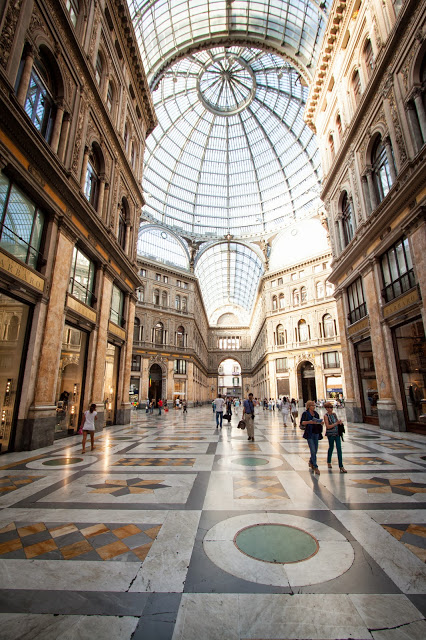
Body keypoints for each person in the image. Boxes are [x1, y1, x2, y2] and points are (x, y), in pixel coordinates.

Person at [300, 400, 323, 475]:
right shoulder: (305, 414)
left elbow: (318, 422)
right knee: (312, 450)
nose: (314, 407)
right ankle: (315, 466)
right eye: (313, 405)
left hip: (316, 433)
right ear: (309, 406)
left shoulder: (316, 414)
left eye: (314, 406)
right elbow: (302, 422)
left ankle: (311, 461)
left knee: (315, 450)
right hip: (309, 434)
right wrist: (309, 422)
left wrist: (320, 422)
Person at [323, 401, 347, 473]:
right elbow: (327, 426)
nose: (331, 409)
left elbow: (336, 422)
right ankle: (329, 461)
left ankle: (341, 466)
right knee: (331, 447)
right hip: (330, 434)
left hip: (337, 434)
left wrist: (339, 423)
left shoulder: (334, 414)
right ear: (326, 408)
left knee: (339, 448)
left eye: (332, 407)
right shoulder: (325, 416)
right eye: (330, 407)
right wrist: (335, 423)